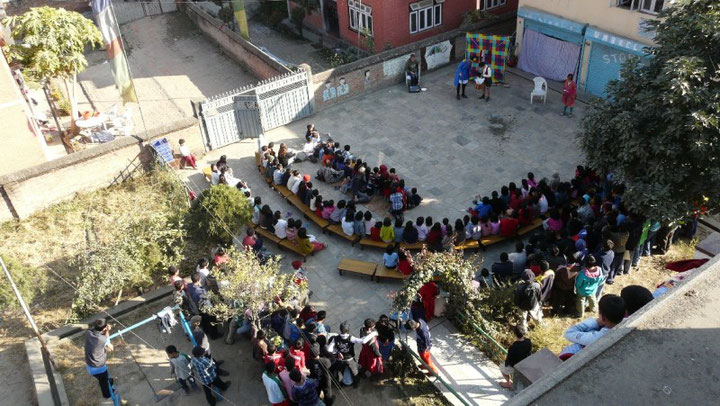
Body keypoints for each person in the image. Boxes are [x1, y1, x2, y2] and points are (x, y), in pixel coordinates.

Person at [559, 294, 625, 359]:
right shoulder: (627, 323)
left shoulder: (596, 338)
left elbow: (569, 333)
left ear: (603, 318)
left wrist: (596, 322)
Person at [85, 318, 120, 401]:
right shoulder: (102, 339)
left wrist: (104, 329)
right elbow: (110, 348)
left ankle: (108, 380)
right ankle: (107, 394)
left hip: (89, 364)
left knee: (103, 378)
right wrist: (107, 331)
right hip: (99, 367)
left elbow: (96, 331)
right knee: (103, 383)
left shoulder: (88, 333)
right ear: (104, 328)